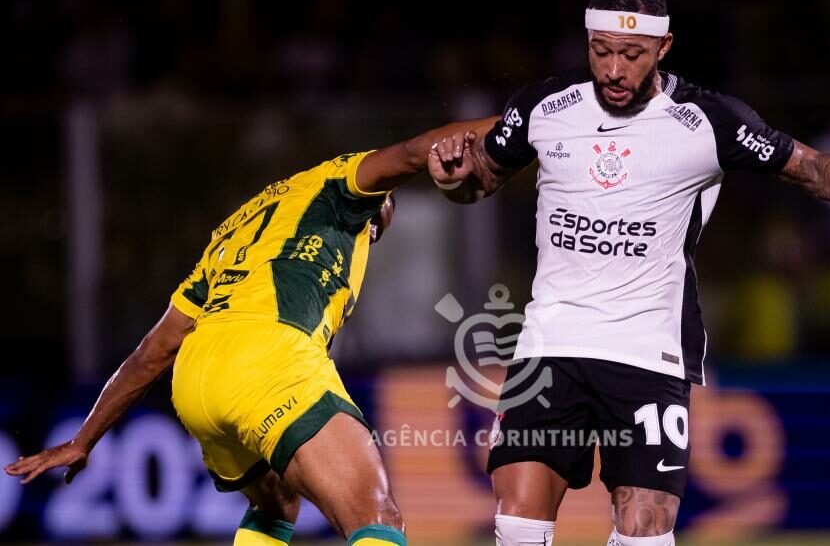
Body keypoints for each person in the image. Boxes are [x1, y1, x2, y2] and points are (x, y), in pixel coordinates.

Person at [427, 0, 830, 546]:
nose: (613, 70)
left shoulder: (707, 120)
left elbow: (807, 167)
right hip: (549, 345)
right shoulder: (543, 108)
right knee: (517, 526)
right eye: (601, 51)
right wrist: (454, 178)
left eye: (631, 55)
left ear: (664, 47)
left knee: (644, 531)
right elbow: (478, 180)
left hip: (647, 352)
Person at [4, 118, 494, 546]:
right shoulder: (341, 186)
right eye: (381, 214)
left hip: (197, 379)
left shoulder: (236, 231)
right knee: (377, 517)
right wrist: (522, 120)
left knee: (275, 506)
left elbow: (154, 351)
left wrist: (85, 438)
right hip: (267, 360)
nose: (378, 225)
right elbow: (415, 151)